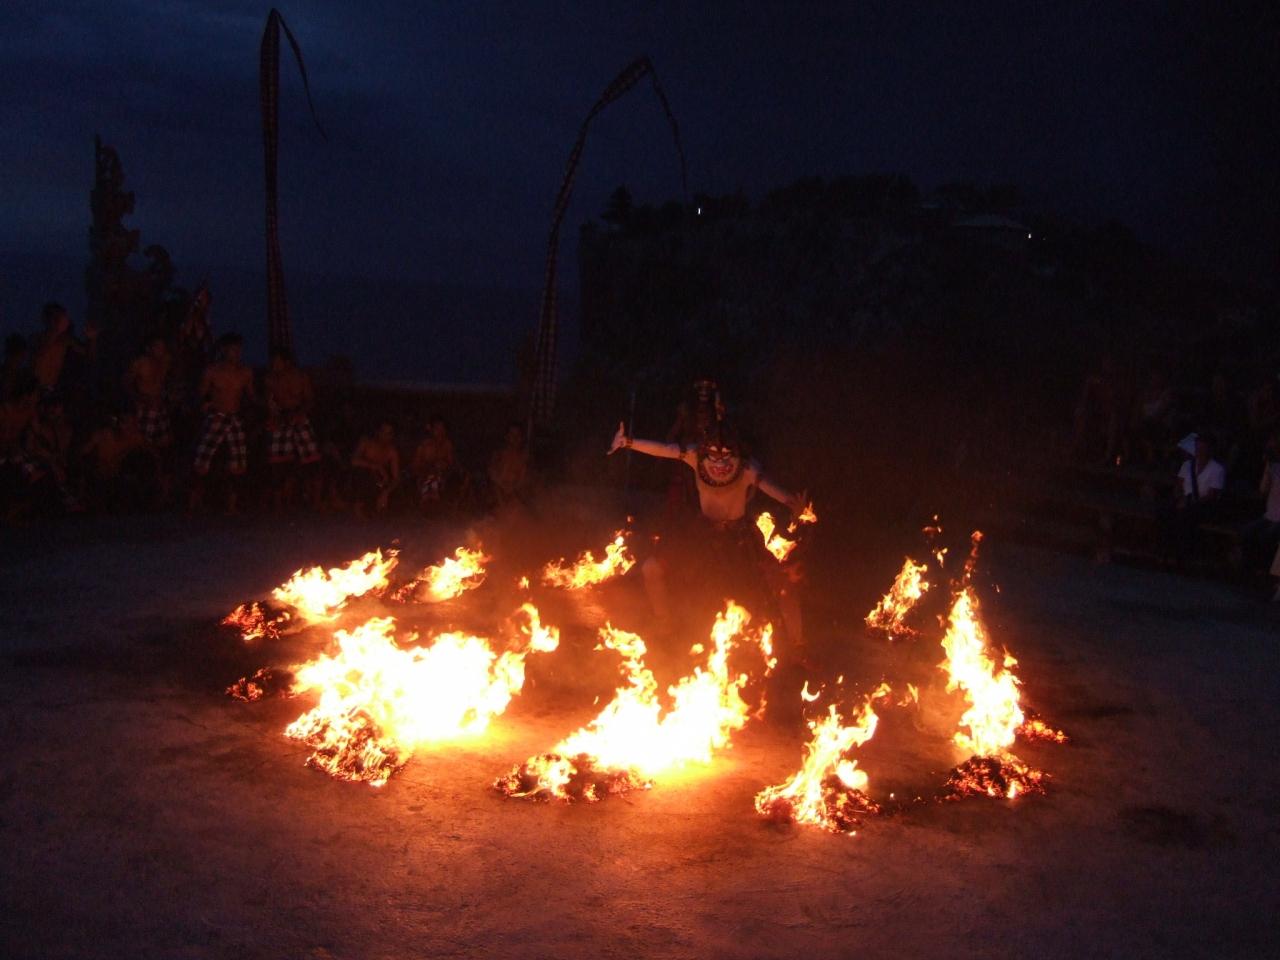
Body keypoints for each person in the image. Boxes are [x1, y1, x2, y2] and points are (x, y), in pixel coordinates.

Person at [608, 411, 808, 647]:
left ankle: (797, 645)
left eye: (726, 455)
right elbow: (665, 449)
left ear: (736, 452)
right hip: (702, 534)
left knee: (783, 581)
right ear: (705, 450)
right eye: (714, 454)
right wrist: (628, 442)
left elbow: (769, 486)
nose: (720, 462)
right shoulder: (695, 456)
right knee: (652, 568)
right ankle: (664, 622)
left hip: (739, 539)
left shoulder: (747, 468)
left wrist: (792, 504)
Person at [190, 332, 255, 514]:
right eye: (233, 349)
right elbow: (201, 394)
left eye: (239, 349)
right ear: (224, 350)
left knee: (239, 463)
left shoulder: (245, 372)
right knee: (202, 462)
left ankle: (231, 505)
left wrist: (265, 405)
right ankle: (193, 503)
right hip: (216, 418)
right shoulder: (212, 371)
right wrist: (205, 406)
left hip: (234, 419)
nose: (237, 353)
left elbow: (251, 396)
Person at [264, 348, 321, 508]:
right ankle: (278, 505)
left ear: (287, 362)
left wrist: (300, 413)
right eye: (273, 362)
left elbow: (310, 399)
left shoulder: (301, 377)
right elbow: (270, 402)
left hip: (299, 416)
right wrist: (274, 417)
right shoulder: (271, 379)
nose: (274, 365)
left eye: (277, 362)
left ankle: (316, 502)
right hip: (281, 417)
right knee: (277, 463)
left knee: (313, 459)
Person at [1162, 433, 1227, 567]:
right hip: (1184, 500)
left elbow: (1212, 495)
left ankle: (1181, 555)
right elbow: (1178, 485)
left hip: (1203, 505)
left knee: (1185, 516)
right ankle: (1165, 551)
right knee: (1165, 511)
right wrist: (1180, 498)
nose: (1199, 451)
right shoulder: (1187, 465)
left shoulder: (1217, 469)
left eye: (1203, 448)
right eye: (1198, 448)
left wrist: (1190, 503)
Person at [82, 410, 154, 511]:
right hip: (99, 478)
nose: (129, 427)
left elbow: (152, 453)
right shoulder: (103, 435)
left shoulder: (136, 437)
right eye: (125, 423)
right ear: (118, 423)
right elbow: (83, 453)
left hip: (120, 481)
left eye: (132, 424)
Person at [31, 303, 95, 394]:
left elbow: (88, 355)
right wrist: (57, 330)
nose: (66, 320)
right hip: (34, 389)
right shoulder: (36, 338)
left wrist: (91, 338)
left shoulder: (66, 339)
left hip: (51, 390)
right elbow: (40, 354)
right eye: (62, 317)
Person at [124, 335, 174, 452]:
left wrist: (168, 396)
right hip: (145, 408)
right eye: (157, 347)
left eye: (162, 347)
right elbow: (126, 382)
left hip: (160, 407)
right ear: (149, 348)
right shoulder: (140, 363)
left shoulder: (166, 361)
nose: (161, 350)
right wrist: (139, 399)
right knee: (143, 443)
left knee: (165, 441)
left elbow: (167, 381)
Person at [1240, 431, 1280, 574]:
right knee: (1246, 532)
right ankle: (1247, 568)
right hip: (1270, 515)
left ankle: (1263, 569)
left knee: (1266, 536)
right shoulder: (1273, 468)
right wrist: (1267, 470)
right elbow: (1263, 490)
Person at [350, 420, 400, 518]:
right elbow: (353, 461)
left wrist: (386, 492)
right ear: (378, 432)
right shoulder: (366, 442)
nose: (386, 436)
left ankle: (376, 506)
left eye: (389, 433)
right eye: (383, 432)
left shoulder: (392, 451)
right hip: (361, 480)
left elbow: (396, 478)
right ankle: (359, 505)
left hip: (379, 482)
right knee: (363, 472)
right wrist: (376, 466)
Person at [411, 414, 459, 511]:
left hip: (442, 479)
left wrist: (444, 466)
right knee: (430, 480)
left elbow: (452, 465)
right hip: (424, 479)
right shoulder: (424, 446)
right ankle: (427, 502)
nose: (440, 432)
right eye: (437, 429)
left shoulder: (447, 445)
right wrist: (430, 467)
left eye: (442, 428)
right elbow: (414, 467)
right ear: (431, 429)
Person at [488, 421, 529, 508]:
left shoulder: (523, 457)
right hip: (498, 492)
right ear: (506, 437)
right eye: (512, 435)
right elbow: (492, 473)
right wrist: (502, 486)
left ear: (521, 438)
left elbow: (523, 477)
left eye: (517, 435)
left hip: (515, 493)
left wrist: (513, 488)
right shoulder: (499, 454)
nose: (515, 438)